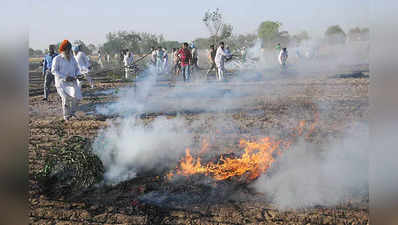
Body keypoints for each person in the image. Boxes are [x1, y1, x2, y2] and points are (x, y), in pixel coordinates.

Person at [51, 40, 82, 121]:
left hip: (72, 83)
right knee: (65, 98)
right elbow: (54, 71)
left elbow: (77, 68)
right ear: (63, 50)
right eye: (67, 49)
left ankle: (71, 113)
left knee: (77, 97)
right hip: (61, 84)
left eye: (69, 49)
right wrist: (65, 77)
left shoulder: (73, 58)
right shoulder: (57, 59)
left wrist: (78, 74)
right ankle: (66, 116)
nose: (69, 51)